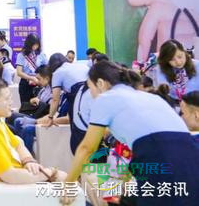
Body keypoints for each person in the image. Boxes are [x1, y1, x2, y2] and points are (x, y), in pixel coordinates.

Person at [61, 61, 198, 206]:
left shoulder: (105, 98)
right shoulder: (150, 97)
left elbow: (87, 148)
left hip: (160, 162)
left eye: (90, 88)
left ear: (100, 83)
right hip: (192, 164)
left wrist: (68, 185)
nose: (91, 94)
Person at [0, 77, 66, 184]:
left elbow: (18, 143)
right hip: (15, 187)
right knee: (66, 179)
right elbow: (11, 176)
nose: (11, 102)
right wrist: (52, 173)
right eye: (7, 99)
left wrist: (28, 161)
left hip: (23, 177)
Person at [40, 53, 94, 154]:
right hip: (93, 95)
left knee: (78, 133)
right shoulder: (80, 65)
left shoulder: (57, 73)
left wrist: (50, 118)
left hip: (77, 98)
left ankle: (80, 157)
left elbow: (55, 99)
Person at [154, 39, 199, 103]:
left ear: (184, 52)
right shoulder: (162, 68)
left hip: (195, 103)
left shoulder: (197, 65)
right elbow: (163, 87)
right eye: (172, 59)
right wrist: (163, 88)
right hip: (173, 103)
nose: (178, 62)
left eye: (180, 57)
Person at [15, 34, 48, 104]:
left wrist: (39, 79)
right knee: (26, 106)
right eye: (33, 44)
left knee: (40, 106)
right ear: (28, 44)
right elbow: (19, 72)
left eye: (37, 45)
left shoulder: (41, 54)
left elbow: (46, 68)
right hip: (25, 84)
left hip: (39, 83)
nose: (35, 47)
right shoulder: (21, 55)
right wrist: (31, 78)